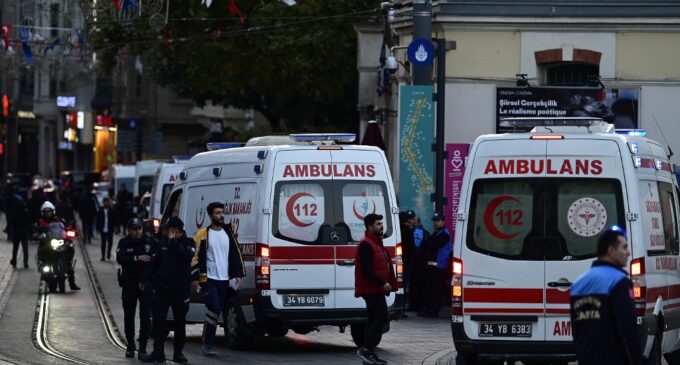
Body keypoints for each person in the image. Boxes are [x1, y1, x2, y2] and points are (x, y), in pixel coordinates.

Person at [570, 228, 642, 365]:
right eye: (624, 247)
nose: (628, 253)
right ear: (611, 251)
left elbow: (576, 330)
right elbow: (628, 327)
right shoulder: (619, 281)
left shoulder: (578, 283)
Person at [191, 202, 246, 356]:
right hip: (208, 279)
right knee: (214, 307)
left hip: (225, 280)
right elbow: (195, 257)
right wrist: (195, 277)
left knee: (215, 311)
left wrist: (237, 274)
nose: (221, 215)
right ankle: (208, 344)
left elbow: (236, 254)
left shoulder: (228, 233)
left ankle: (206, 336)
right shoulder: (202, 234)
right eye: (217, 213)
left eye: (222, 212)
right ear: (210, 215)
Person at [140, 217, 195, 364]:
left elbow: (186, 256)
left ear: (175, 230)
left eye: (168, 229)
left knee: (179, 323)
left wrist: (173, 241)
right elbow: (154, 263)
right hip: (162, 289)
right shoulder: (162, 244)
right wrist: (144, 279)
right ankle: (158, 352)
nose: (165, 232)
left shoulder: (189, 243)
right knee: (158, 322)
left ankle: (178, 353)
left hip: (180, 291)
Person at [354, 213, 398, 365]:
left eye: (381, 223)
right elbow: (366, 269)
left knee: (373, 318)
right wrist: (382, 283)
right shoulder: (366, 244)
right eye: (378, 224)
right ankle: (366, 348)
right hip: (371, 288)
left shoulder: (376, 243)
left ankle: (369, 352)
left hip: (375, 288)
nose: (381, 226)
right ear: (369, 226)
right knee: (382, 316)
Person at [116, 217, 157, 359]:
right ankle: (130, 345)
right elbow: (120, 258)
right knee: (129, 315)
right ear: (129, 230)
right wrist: (136, 258)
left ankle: (143, 348)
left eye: (139, 228)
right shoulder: (124, 242)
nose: (138, 231)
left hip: (146, 284)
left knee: (145, 316)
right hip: (129, 284)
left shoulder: (149, 241)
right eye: (134, 229)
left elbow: (159, 256)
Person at [37, 201, 80, 290]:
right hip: (48, 244)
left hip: (59, 242)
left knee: (70, 247)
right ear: (43, 213)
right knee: (41, 249)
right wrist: (37, 233)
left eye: (49, 211)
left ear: (53, 211)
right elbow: (36, 230)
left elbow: (66, 228)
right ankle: (42, 266)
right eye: (46, 212)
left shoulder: (59, 220)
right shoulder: (41, 222)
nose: (48, 213)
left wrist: (70, 232)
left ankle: (72, 281)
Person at [419, 212, 451, 318]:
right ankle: (429, 309)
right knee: (430, 290)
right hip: (433, 266)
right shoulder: (437, 233)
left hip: (439, 267)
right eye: (434, 221)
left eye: (437, 221)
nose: (435, 223)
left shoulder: (444, 234)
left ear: (443, 221)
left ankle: (434, 311)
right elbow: (425, 245)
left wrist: (427, 240)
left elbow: (433, 246)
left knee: (436, 291)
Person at [9, 200, 30, 268]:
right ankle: (25, 262)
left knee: (15, 248)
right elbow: (29, 222)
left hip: (16, 232)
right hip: (24, 232)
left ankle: (14, 261)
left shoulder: (15, 212)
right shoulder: (26, 212)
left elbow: (11, 221)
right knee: (25, 248)